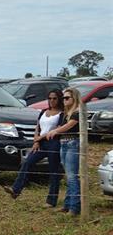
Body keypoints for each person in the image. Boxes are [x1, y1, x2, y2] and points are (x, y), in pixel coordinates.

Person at [3, 89, 64, 207]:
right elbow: (38, 126)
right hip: (41, 143)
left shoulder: (61, 114)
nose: (52, 101)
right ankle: (16, 189)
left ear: (59, 99)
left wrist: (40, 137)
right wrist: (36, 140)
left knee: (54, 171)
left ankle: (51, 201)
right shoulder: (44, 111)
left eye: (55, 98)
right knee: (28, 162)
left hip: (53, 142)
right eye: (50, 98)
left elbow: (57, 129)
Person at [45, 88, 81, 216]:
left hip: (72, 144)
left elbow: (69, 125)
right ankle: (67, 205)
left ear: (74, 98)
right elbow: (62, 126)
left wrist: (55, 131)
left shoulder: (77, 112)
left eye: (67, 98)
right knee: (69, 175)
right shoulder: (66, 113)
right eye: (63, 98)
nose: (64, 100)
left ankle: (74, 207)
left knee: (72, 176)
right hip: (64, 143)